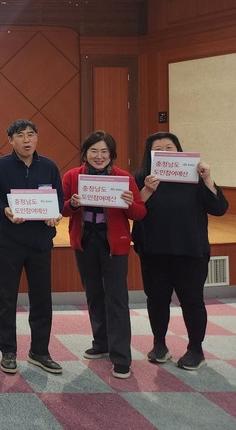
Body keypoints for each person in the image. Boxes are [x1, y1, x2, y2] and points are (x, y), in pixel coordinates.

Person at [132, 132, 229, 371]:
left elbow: (219, 208)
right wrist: (147, 190)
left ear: (179, 150)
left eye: (170, 147)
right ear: (150, 154)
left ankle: (196, 349)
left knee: (192, 301)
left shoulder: (195, 175)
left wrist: (208, 179)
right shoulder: (141, 177)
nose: (165, 152)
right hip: (154, 250)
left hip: (190, 250)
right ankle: (159, 344)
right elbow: (133, 211)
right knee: (156, 299)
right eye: (158, 149)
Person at [62, 131, 146, 379]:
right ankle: (101, 343)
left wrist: (129, 203)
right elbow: (62, 208)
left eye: (104, 152)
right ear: (85, 153)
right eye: (93, 151)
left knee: (116, 298)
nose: (99, 156)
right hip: (85, 240)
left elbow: (139, 213)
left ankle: (121, 357)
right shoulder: (72, 176)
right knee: (94, 294)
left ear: (112, 154)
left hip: (114, 244)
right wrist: (72, 204)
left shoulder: (123, 177)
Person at [0, 120, 63, 375]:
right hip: (10, 240)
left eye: (31, 135)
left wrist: (55, 213)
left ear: (37, 138)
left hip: (41, 242)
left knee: (42, 298)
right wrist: (4, 209)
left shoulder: (49, 166)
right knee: (7, 298)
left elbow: (58, 198)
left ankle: (40, 351)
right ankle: (8, 350)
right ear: (10, 140)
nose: (26, 140)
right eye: (20, 135)